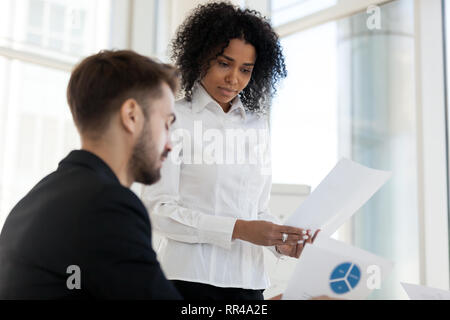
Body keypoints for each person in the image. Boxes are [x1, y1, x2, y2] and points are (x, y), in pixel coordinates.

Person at [142, 2, 320, 301]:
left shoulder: (256, 126)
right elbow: (159, 211)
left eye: (245, 69)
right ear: (201, 58)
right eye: (224, 63)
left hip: (249, 284)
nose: (233, 79)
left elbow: (257, 209)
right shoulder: (175, 118)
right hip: (188, 282)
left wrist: (280, 242)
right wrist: (237, 229)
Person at [0, 50, 183, 299]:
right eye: (166, 123)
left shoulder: (36, 199)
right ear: (132, 116)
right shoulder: (107, 205)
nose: (170, 143)